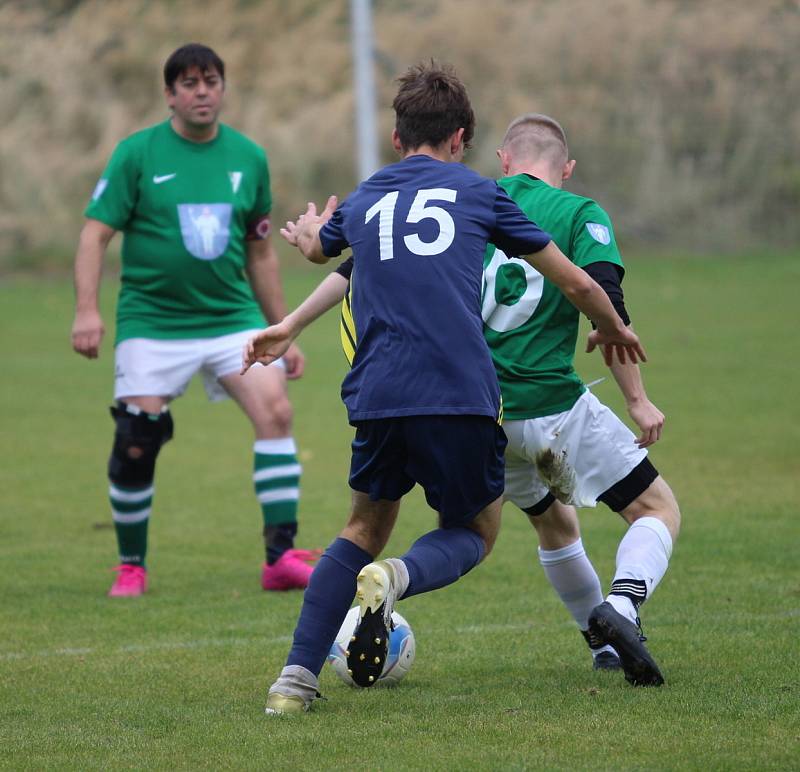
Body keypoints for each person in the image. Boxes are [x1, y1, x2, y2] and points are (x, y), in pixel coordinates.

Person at [242, 62, 646, 713]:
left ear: (398, 138)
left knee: (359, 527)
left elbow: (325, 252)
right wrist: (611, 325)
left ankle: (293, 681)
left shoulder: (370, 193)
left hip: (376, 391)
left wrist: (304, 254)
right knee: (472, 531)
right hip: (458, 390)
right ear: (461, 138)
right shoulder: (481, 195)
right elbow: (575, 282)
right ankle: (396, 577)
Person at [70, 43, 318, 597]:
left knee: (276, 412)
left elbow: (260, 253)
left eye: (210, 81)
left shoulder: (249, 158)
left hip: (232, 318)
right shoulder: (137, 155)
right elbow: (94, 233)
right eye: (188, 83)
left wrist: (283, 327)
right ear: (169, 96)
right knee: (137, 438)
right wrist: (87, 310)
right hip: (151, 322)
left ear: (222, 89)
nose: (201, 91)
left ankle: (281, 557)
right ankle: (131, 564)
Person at [484, 113, 681, 686]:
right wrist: (639, 402)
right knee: (656, 510)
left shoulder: (470, 204)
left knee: (555, 524)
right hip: (551, 405)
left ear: (503, 160)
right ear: (565, 169)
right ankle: (620, 609)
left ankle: (606, 651)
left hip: (485, 416)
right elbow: (608, 308)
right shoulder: (577, 213)